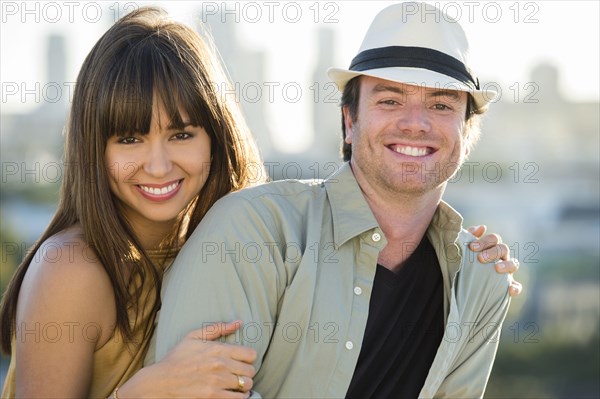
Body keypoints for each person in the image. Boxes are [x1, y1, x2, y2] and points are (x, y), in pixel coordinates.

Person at [151, 2, 518, 398]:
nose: (415, 122)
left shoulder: (480, 279)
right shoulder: (253, 232)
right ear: (349, 122)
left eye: (441, 105)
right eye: (390, 101)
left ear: (466, 138)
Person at [0, 7, 263, 398]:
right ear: (95, 148)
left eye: (181, 135)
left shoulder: (225, 249)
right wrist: (148, 391)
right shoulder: (71, 271)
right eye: (129, 139)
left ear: (216, 137)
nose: (158, 166)